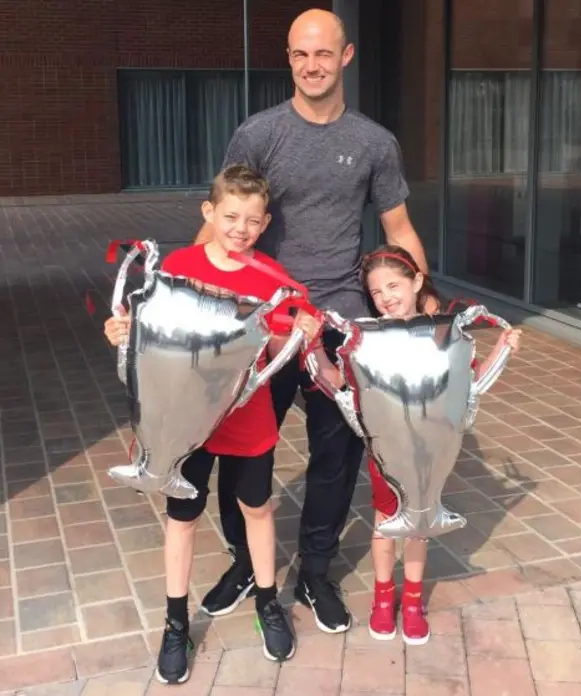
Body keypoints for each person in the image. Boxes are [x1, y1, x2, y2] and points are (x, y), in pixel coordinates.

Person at [194, 8, 430, 635]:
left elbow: (398, 228)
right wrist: (194, 296)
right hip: (264, 323)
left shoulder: (375, 142)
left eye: (323, 54)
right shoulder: (259, 134)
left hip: (341, 321)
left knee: (338, 453)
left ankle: (317, 573)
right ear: (290, 58)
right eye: (300, 55)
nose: (312, 65)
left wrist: (421, 302)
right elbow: (222, 223)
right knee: (243, 451)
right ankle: (246, 561)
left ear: (346, 57)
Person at [104, 165, 302, 683]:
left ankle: (266, 602)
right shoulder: (181, 265)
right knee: (183, 519)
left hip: (247, 417)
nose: (240, 228)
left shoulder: (273, 279)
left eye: (252, 221)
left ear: (265, 224)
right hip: (185, 421)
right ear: (209, 212)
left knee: (257, 508)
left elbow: (282, 342)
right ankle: (174, 624)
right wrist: (123, 330)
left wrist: (298, 333)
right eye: (230, 216)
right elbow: (151, 329)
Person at [296, 244, 522, 645]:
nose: (386, 298)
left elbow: (471, 385)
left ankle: (413, 600)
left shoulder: (445, 335)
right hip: (387, 453)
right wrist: (313, 347)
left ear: (417, 281)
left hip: (432, 453)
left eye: (394, 285)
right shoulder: (364, 338)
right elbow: (338, 384)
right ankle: (385, 597)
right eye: (377, 292)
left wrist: (503, 347)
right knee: (385, 524)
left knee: (418, 525)